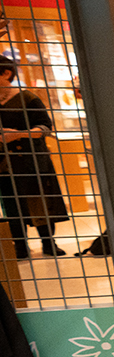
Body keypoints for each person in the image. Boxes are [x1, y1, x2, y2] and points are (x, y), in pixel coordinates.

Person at [0, 57, 70, 259]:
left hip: (31, 160)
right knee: (11, 205)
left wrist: (18, 134)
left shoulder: (28, 98)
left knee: (39, 201)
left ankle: (48, 242)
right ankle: (20, 246)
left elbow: (45, 127)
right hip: (4, 162)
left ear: (6, 73)